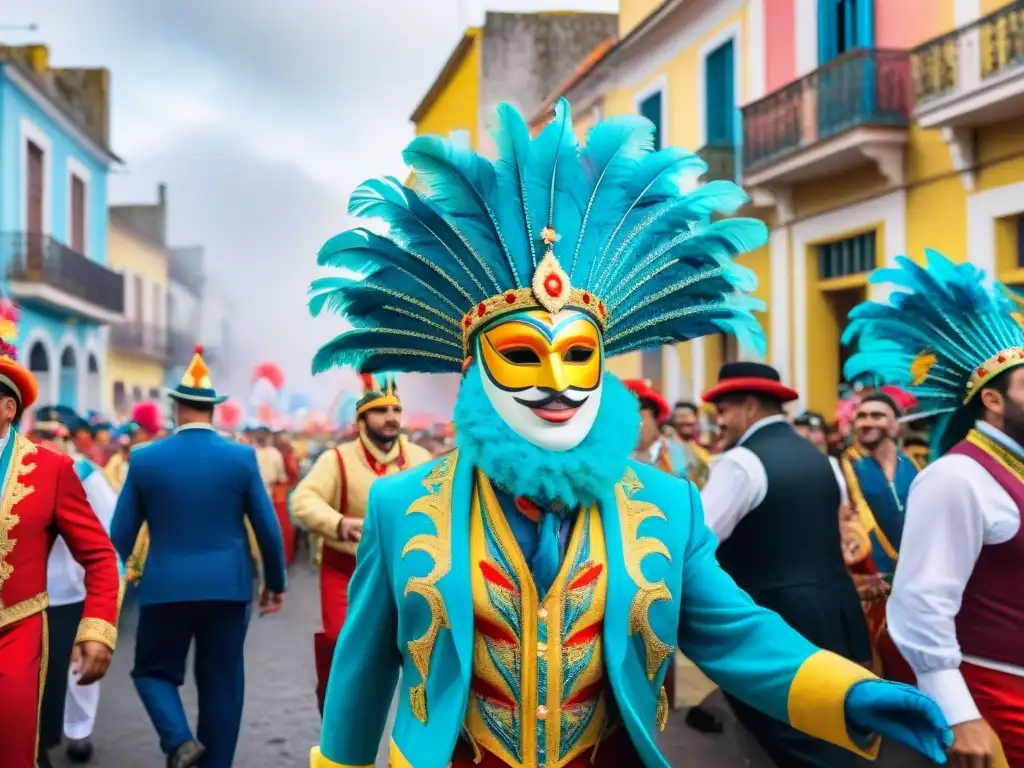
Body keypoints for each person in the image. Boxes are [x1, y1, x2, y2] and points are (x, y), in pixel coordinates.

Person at [306, 100, 951, 768]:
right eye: (525, 355)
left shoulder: (665, 505)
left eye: (579, 356)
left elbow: (736, 632)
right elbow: (361, 677)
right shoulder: (400, 506)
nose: (558, 382)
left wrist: (850, 694)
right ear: (476, 371)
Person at [843, 250, 1024, 767]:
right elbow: (922, 606)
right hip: (994, 695)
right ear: (992, 400)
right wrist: (959, 711)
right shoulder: (956, 476)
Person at [110, 345, 287, 768]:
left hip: (163, 586)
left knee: (152, 672)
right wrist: (275, 583)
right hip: (227, 588)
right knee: (223, 684)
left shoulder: (145, 459)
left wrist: (115, 582)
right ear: (213, 410)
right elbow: (267, 527)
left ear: (175, 408)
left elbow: (119, 534)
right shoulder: (242, 458)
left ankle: (178, 740)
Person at [699, 361, 874, 767]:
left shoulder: (741, 462)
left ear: (747, 406)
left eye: (722, 410)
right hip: (834, 610)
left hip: (776, 622)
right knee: (832, 731)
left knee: (793, 744)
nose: (719, 422)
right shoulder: (822, 459)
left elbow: (699, 540)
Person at [0, 302, 120, 768]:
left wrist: (98, 629)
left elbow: (100, 556)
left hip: (18, 630)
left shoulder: (52, 469)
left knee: (15, 748)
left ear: (8, 407)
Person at [291, 373, 432, 715]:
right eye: (381, 410)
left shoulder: (421, 459)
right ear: (362, 418)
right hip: (347, 571)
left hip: (407, 572)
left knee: (425, 653)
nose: (391, 417)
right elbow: (302, 500)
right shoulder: (335, 459)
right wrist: (338, 524)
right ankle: (337, 721)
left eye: (396, 409)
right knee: (342, 647)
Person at [623, 378, 724, 734]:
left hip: (671, 569)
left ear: (653, 418)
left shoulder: (685, 458)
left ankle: (665, 722)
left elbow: (707, 512)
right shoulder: (606, 458)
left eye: (636, 415)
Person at [35, 407, 121, 767]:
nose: (48, 442)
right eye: (41, 434)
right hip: (28, 592)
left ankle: (79, 732)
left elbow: (108, 526)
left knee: (79, 664)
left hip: (73, 589)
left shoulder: (85, 473)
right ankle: (38, 737)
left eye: (55, 435)